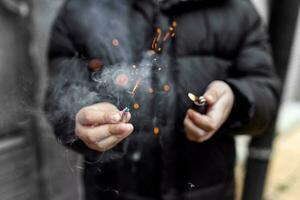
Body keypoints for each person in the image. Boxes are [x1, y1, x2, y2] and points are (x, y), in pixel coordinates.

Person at [45, 0, 280, 199]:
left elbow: (265, 92)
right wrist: (80, 116)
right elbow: (57, 95)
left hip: (209, 190)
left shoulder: (237, 10)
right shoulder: (81, 9)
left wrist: (234, 100)